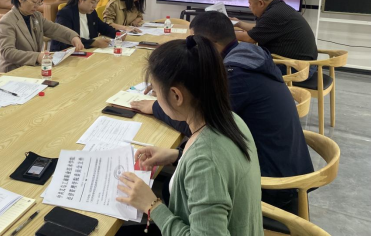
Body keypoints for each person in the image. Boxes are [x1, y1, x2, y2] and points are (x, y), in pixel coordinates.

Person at [132, 11, 314, 213]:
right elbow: (218, 132)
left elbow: (198, 123)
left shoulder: (235, 76)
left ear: (209, 45)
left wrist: (156, 105)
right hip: (273, 161)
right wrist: (178, 154)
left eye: (193, 45)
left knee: (171, 190)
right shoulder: (246, 57)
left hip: (275, 185)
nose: (189, 52)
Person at [117, 36, 263, 236]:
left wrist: (152, 206)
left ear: (176, 96)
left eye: (156, 93)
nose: (155, 99)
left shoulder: (205, 160)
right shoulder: (231, 119)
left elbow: (208, 165)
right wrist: (178, 156)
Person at [0, 0, 84, 73]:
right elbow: (7, 52)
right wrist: (37, 57)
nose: (37, 6)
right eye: (34, 2)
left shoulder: (36, 16)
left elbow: (54, 29)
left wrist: (73, 36)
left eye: (39, 3)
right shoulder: (7, 21)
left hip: (32, 69)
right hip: (13, 72)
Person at [233, 0, 318, 66]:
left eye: (250, 3)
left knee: (240, 61)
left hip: (295, 66)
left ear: (260, 3)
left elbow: (249, 38)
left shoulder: (273, 14)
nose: (249, 7)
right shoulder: (278, 8)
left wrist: (226, 33)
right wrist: (239, 23)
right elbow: (259, 30)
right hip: (302, 63)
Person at [51, 0, 121, 52]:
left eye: (97, 2)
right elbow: (67, 39)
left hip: (87, 51)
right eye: (92, 2)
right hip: (66, 53)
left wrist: (118, 34)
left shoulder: (91, 13)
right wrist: (94, 43)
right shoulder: (65, 14)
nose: (95, 6)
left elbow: (103, 27)